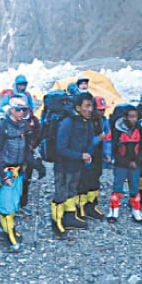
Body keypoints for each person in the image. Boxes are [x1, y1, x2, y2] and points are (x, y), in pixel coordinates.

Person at [51, 92, 95, 238]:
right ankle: (56, 222)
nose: (90, 109)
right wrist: (80, 156)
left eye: (91, 106)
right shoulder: (68, 123)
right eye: (86, 106)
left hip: (76, 164)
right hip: (63, 165)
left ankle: (69, 217)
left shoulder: (85, 122)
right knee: (61, 193)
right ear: (78, 107)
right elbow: (60, 148)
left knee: (72, 190)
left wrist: (86, 155)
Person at [0, 96, 32, 252]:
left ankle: (7, 229)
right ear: (11, 110)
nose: (22, 113)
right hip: (7, 170)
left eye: (24, 110)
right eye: (19, 110)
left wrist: (34, 163)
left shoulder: (23, 125)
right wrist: (2, 175)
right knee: (6, 205)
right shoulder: (3, 126)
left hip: (18, 169)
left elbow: (26, 147)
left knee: (14, 203)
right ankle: (10, 238)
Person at [105, 104, 142, 224]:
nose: (134, 119)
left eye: (135, 117)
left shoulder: (140, 129)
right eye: (131, 117)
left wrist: (137, 161)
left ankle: (137, 210)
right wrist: (127, 162)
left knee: (135, 188)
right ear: (125, 117)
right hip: (121, 164)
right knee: (117, 188)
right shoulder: (116, 130)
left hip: (135, 164)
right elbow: (114, 149)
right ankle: (113, 210)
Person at [77, 95, 109, 221]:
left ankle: (91, 205)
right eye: (100, 109)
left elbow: (107, 140)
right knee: (84, 182)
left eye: (103, 109)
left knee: (95, 180)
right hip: (87, 157)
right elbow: (83, 142)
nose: (102, 112)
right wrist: (98, 139)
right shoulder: (85, 122)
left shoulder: (102, 121)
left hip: (97, 156)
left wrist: (107, 153)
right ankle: (81, 207)